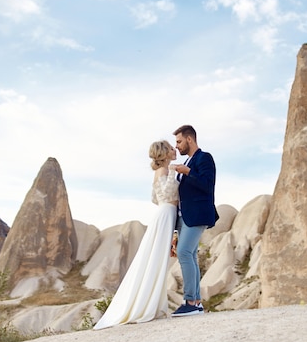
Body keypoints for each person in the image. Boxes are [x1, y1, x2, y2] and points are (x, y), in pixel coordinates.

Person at [93, 140, 179, 330]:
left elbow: (153, 198)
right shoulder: (165, 171)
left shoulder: (159, 172)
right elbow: (166, 192)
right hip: (166, 215)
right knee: (156, 259)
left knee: (155, 259)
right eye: (171, 148)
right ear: (164, 153)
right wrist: (174, 172)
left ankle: (150, 302)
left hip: (164, 213)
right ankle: (148, 304)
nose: (175, 150)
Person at [171, 125, 217, 317]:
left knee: (183, 252)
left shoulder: (204, 158)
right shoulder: (188, 161)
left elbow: (208, 185)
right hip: (184, 217)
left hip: (197, 214)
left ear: (189, 139)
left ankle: (189, 301)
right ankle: (196, 303)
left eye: (179, 141)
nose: (177, 146)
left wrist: (188, 172)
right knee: (191, 256)